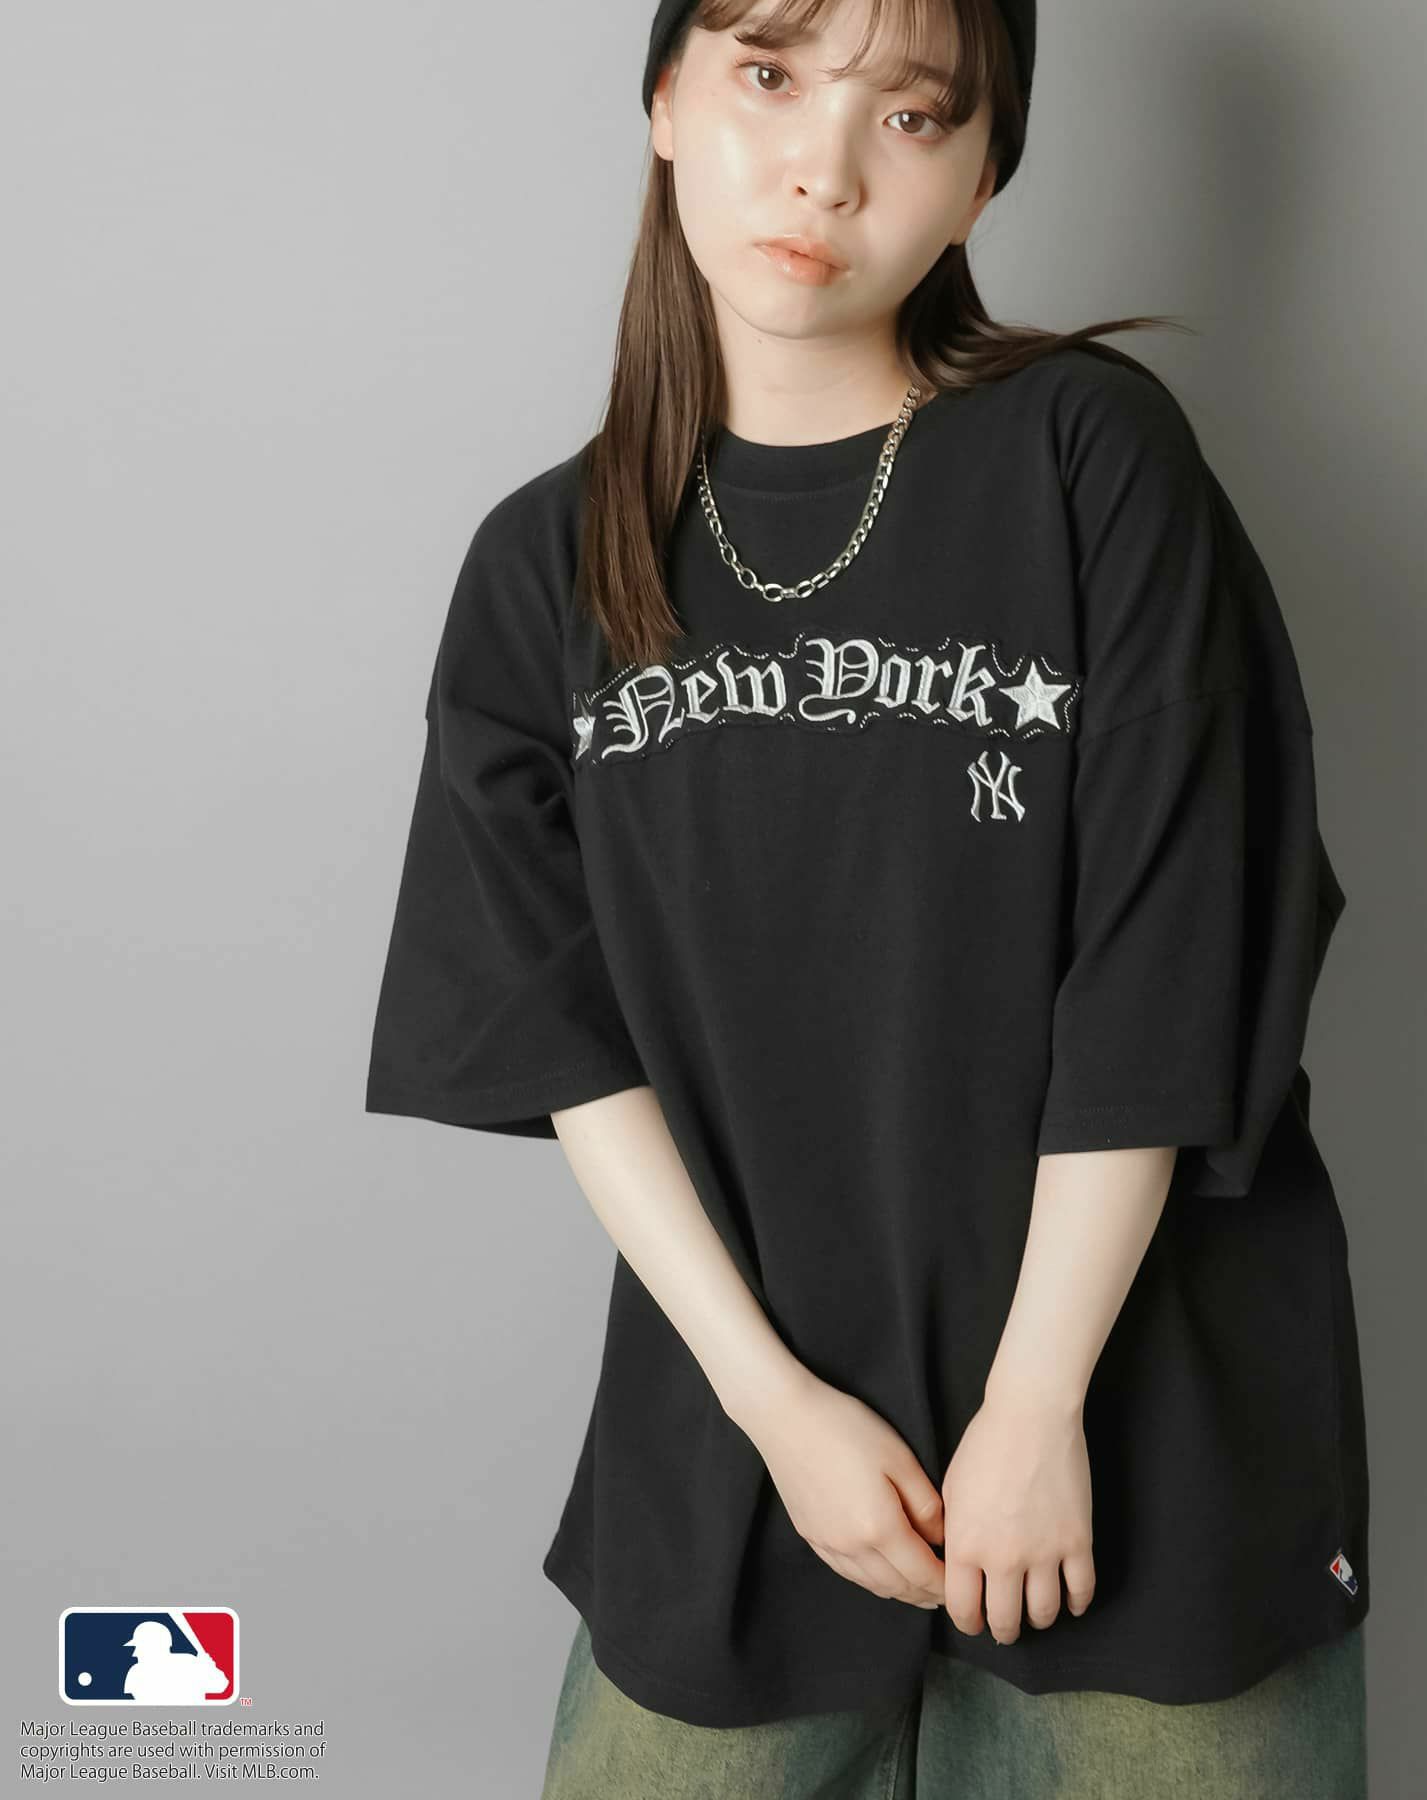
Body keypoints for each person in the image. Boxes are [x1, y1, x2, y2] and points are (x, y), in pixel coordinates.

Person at [364, 1, 1372, 1793]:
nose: (822, 169)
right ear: (665, 99)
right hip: (747, 1450)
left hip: (1137, 1432)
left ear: (984, 175)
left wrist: (1038, 1402)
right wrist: (775, 1410)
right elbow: (565, 1044)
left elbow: (1169, 957)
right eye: (767, 77)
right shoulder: (544, 568)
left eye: (911, 116)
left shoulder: (1089, 457)